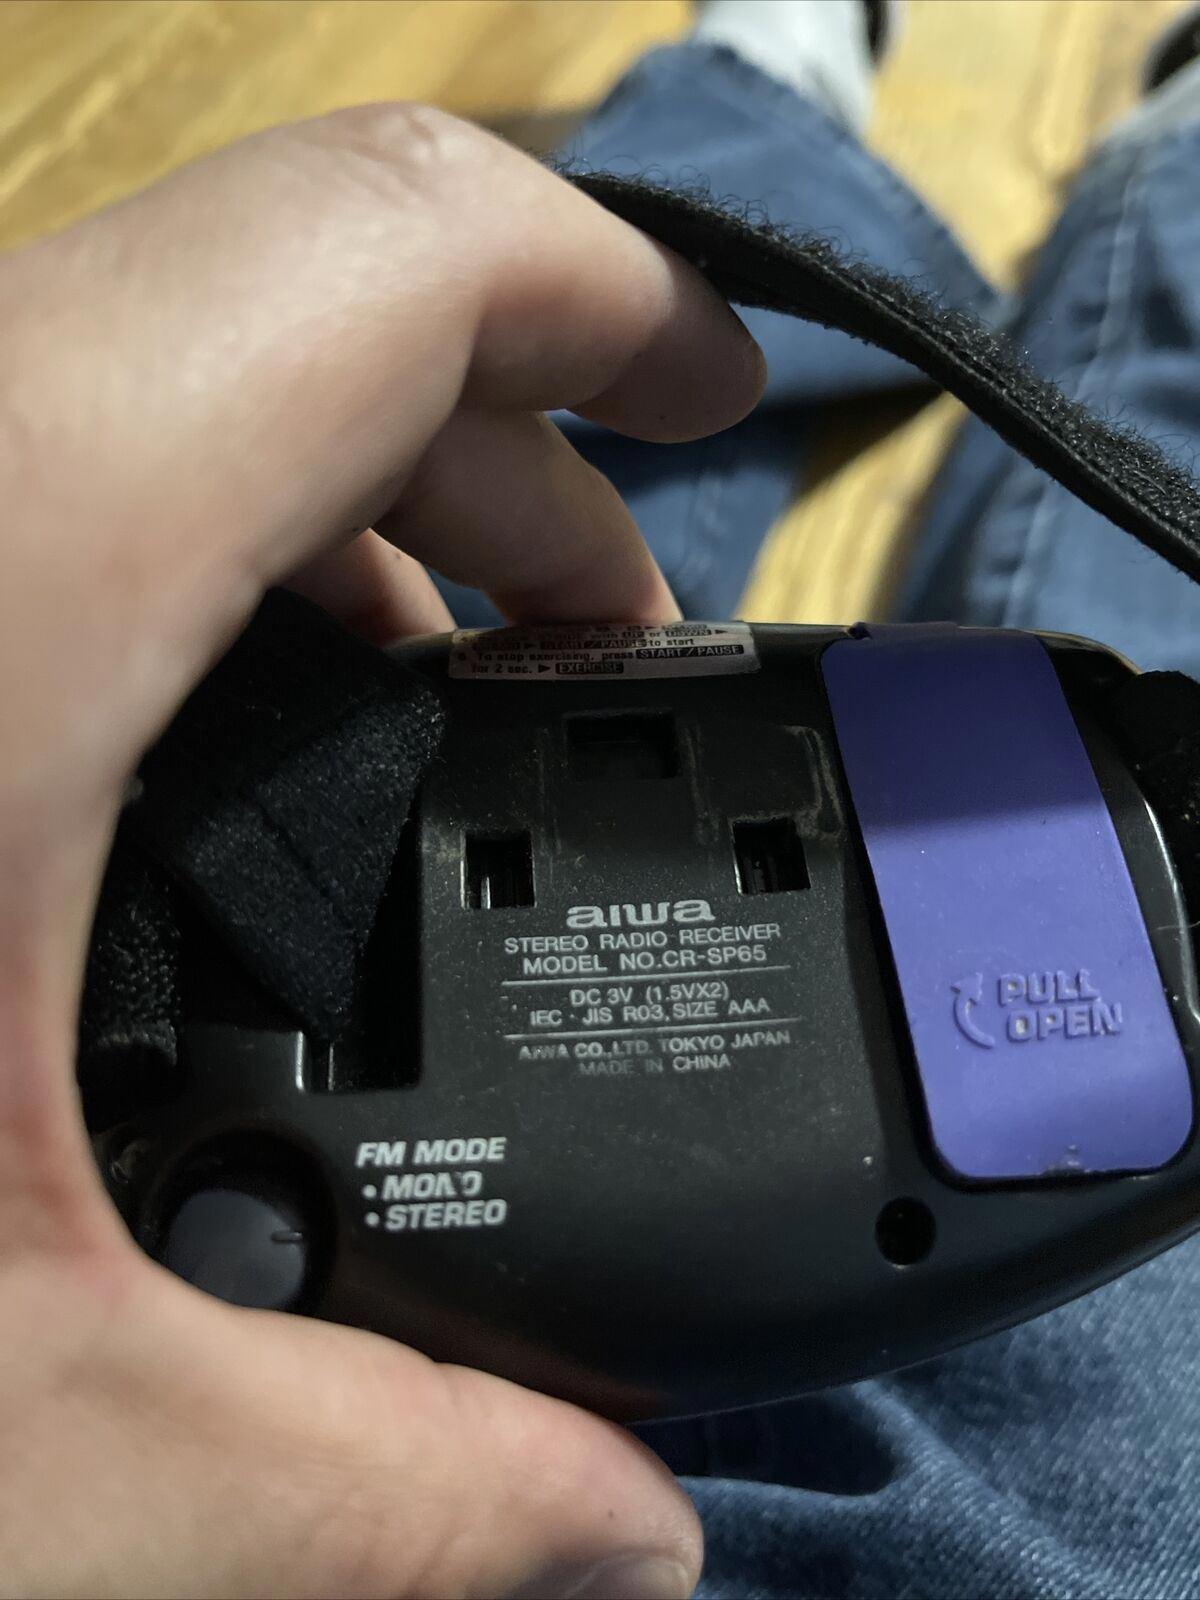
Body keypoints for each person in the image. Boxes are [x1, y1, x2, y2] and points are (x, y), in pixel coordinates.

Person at [1, 3, 1199, 1597]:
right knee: (546, 466)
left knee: (514, 451)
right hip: (246, 1047)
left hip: (269, 868)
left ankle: (768, 105)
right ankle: (1108, 168)